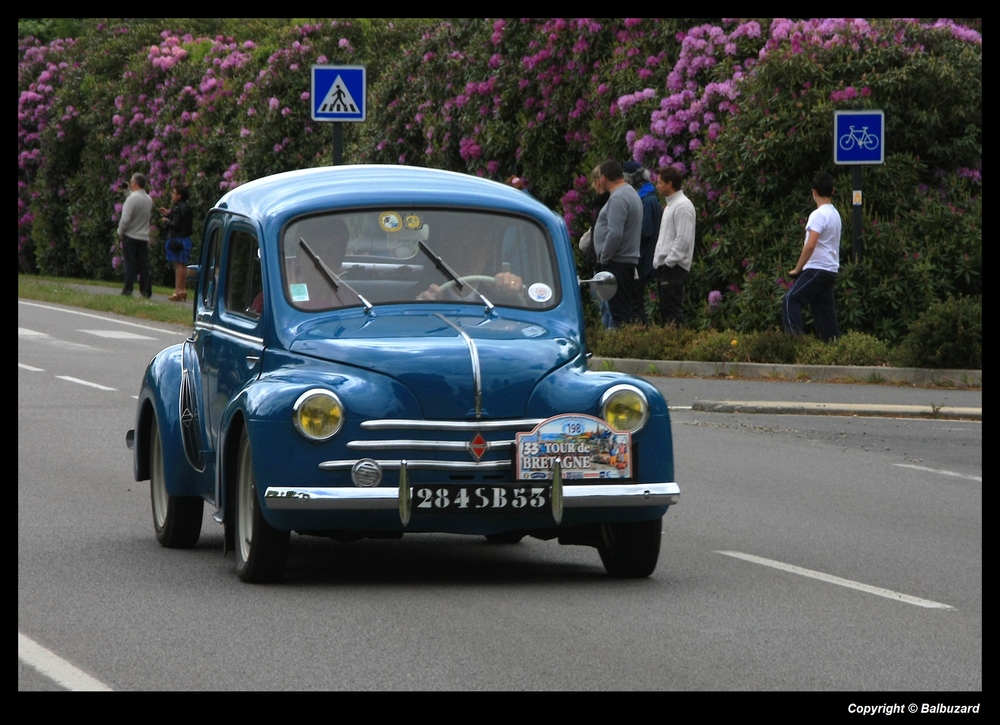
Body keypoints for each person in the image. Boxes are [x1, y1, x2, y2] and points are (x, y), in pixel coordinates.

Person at [782, 172, 841, 342]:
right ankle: (833, 346)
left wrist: (797, 269)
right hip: (830, 269)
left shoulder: (818, 215)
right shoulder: (835, 215)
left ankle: (794, 345)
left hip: (817, 268)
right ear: (833, 191)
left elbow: (810, 245)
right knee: (824, 311)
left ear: (814, 192)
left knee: (790, 300)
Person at [592, 160, 642, 326]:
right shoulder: (631, 193)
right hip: (625, 261)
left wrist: (603, 258)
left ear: (604, 178)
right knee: (622, 311)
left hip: (617, 262)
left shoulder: (618, 198)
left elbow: (614, 233)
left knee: (618, 315)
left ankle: (623, 348)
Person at [652, 166, 696, 326]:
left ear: (670, 184)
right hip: (665, 266)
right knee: (666, 310)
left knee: (672, 311)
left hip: (674, 267)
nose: (657, 186)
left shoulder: (682, 206)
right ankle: (671, 344)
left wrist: (669, 262)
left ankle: (678, 344)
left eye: (660, 182)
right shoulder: (671, 205)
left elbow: (683, 239)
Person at [623, 161, 662, 286]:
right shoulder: (650, 197)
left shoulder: (646, 200)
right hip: (647, 257)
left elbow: (645, 230)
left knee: (637, 300)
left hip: (644, 259)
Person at [118, 173, 154, 298]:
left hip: (131, 236)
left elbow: (125, 219)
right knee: (143, 265)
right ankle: (146, 290)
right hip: (143, 236)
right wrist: (127, 191)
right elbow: (136, 200)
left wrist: (120, 232)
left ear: (135, 184)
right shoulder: (148, 199)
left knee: (130, 264)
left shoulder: (131, 199)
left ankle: (128, 289)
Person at [159, 183, 194, 302]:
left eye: (174, 193)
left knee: (178, 266)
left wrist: (166, 221)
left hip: (177, 239)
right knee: (183, 265)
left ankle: (178, 290)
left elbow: (175, 225)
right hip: (185, 238)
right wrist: (169, 214)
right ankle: (182, 289)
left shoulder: (178, 208)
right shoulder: (187, 207)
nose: (172, 195)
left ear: (179, 196)